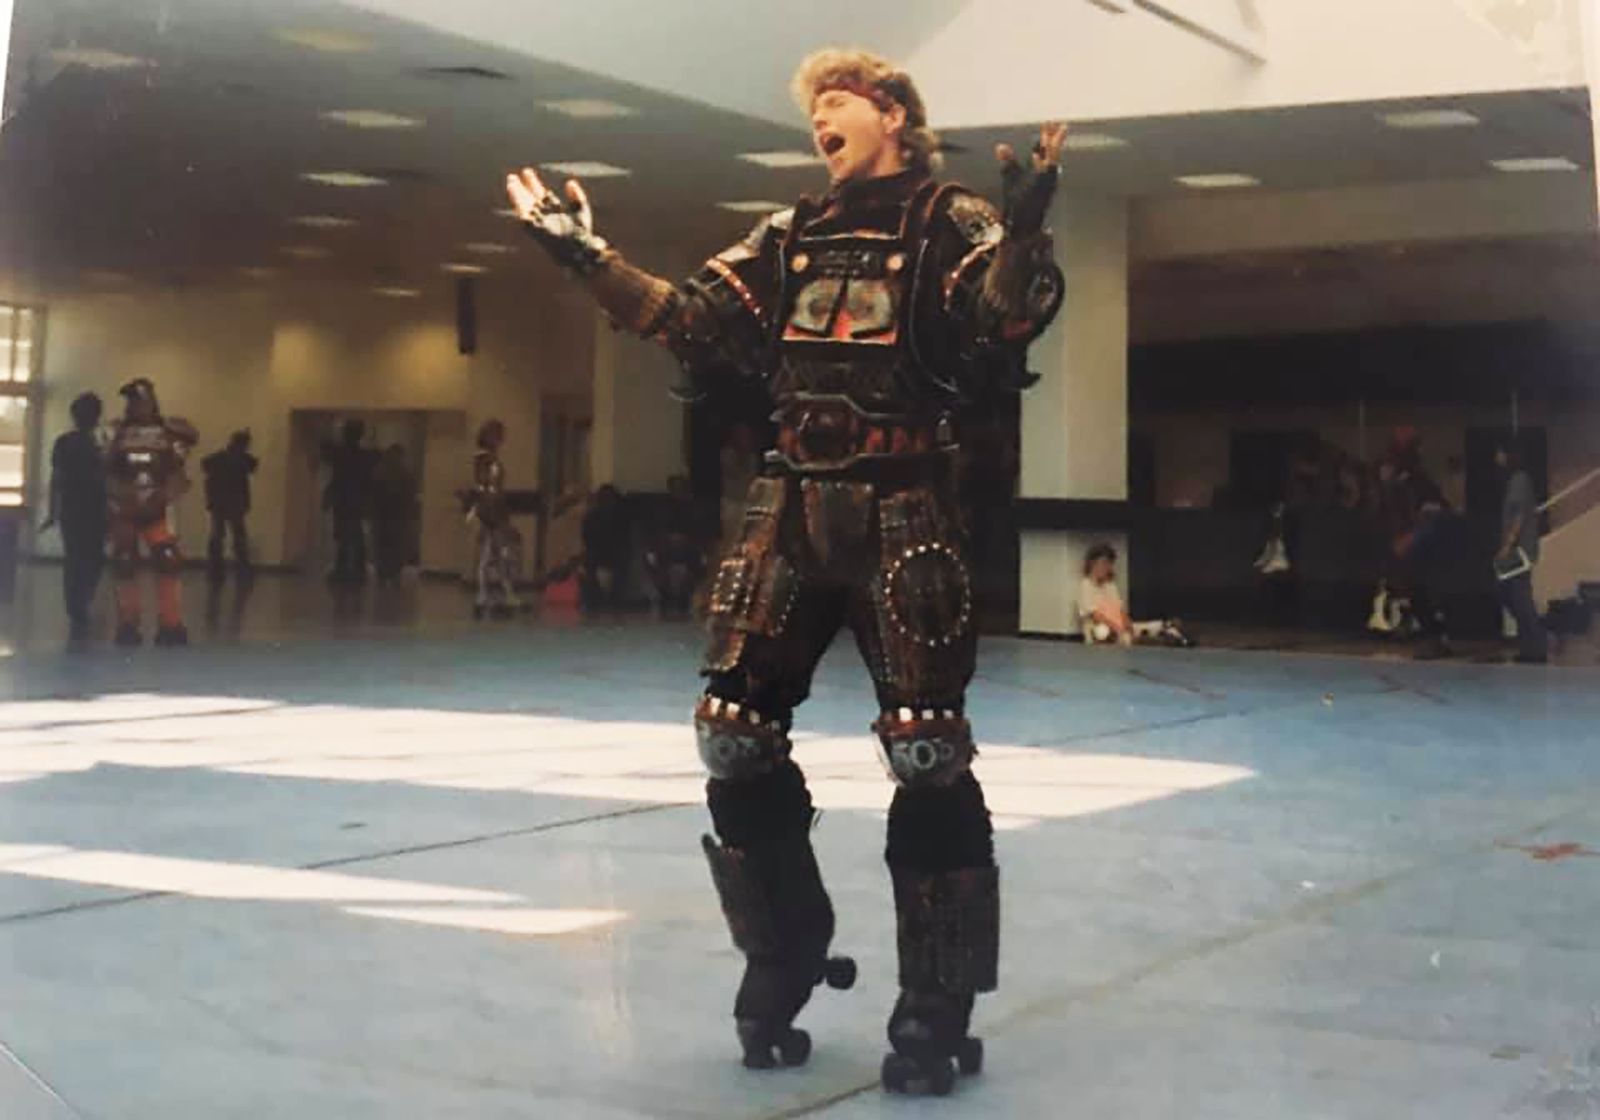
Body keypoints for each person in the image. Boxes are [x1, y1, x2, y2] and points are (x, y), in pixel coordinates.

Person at [507, 47, 1067, 1094]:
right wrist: (584, 255)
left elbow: (1006, 313)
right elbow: (687, 317)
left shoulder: (949, 217)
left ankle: (936, 997)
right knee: (731, 735)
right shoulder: (791, 232)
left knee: (926, 751)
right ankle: (785, 946)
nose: (821, 120)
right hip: (792, 503)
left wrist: (1027, 230)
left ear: (892, 113)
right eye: (816, 109)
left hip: (904, 508)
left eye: (838, 101)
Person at [105, 378, 198, 647]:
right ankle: (128, 623)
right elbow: (106, 471)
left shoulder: (170, 431)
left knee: (168, 559)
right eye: (133, 401)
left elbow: (178, 471)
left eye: (142, 400)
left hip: (158, 506)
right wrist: (119, 496)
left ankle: (171, 623)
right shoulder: (115, 432)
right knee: (124, 561)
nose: (138, 406)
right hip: (125, 507)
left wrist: (165, 495)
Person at [40, 392, 107, 651]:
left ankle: (77, 606)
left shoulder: (67, 442)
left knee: (77, 559)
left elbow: (56, 479)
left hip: (76, 509)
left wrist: (52, 511)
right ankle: (80, 604)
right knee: (90, 558)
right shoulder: (97, 444)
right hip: (91, 509)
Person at [1376, 428, 1451, 658]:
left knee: (1421, 591)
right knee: (1409, 590)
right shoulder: (1395, 480)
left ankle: (1435, 638)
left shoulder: (1416, 479)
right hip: (1402, 542)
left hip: (1416, 544)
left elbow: (1437, 508)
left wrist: (1411, 536)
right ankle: (1426, 633)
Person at [1494, 440, 1548, 664]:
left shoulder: (1519, 480)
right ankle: (1530, 645)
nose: (1497, 457)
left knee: (1519, 598)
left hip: (1519, 550)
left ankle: (1536, 646)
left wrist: (1508, 545)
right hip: (1518, 549)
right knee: (1514, 597)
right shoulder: (1516, 480)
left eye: (1499, 453)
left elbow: (1519, 514)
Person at [463, 421, 523, 618]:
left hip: (493, 510)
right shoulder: (484, 459)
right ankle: (496, 594)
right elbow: (486, 486)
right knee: (498, 553)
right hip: (492, 511)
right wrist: (483, 508)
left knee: (494, 553)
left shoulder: (486, 458)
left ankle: (491, 594)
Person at [1079, 544, 1190, 647]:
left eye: (1109, 564)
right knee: (1103, 631)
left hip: (1120, 628)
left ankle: (1166, 629)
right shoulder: (1085, 586)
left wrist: (1127, 624)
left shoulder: (1110, 586)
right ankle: (1147, 639)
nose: (1107, 568)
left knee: (1142, 628)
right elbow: (1096, 616)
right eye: (1104, 563)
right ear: (1092, 563)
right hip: (1102, 631)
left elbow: (1119, 610)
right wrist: (1118, 629)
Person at [645, 474, 708, 618]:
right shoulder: (661, 509)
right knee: (654, 561)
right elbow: (655, 530)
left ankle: (684, 600)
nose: (678, 491)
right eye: (675, 488)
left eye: (681, 488)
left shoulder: (694, 509)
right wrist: (666, 540)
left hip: (689, 548)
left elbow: (699, 532)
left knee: (699, 562)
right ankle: (663, 599)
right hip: (665, 547)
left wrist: (686, 540)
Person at [321, 419, 376, 586]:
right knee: (354, 534)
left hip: (343, 498)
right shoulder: (364, 456)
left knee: (344, 535)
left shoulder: (340, 454)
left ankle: (344, 569)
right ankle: (356, 570)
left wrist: (328, 496)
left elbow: (336, 476)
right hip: (355, 499)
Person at [202, 429, 257, 582]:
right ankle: (241, 567)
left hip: (219, 502)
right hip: (234, 502)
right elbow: (252, 466)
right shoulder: (242, 460)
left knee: (218, 535)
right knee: (237, 536)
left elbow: (205, 466)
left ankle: (215, 567)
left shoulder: (217, 459)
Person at [371, 444, 418, 589]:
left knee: (383, 546)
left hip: (383, 517)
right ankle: (394, 574)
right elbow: (410, 496)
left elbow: (374, 495)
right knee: (396, 546)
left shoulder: (379, 472)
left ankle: (383, 574)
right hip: (398, 517)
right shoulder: (405, 474)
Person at [579, 484, 629, 615]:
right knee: (589, 560)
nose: (607, 501)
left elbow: (625, 538)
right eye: (604, 498)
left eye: (610, 498)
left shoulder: (622, 516)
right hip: (597, 551)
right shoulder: (591, 517)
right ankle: (593, 599)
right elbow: (587, 538)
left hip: (617, 551)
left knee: (622, 559)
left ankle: (617, 599)